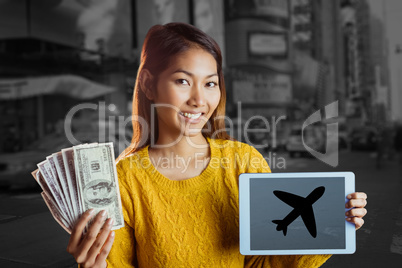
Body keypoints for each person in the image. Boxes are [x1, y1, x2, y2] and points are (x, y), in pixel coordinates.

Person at [66, 22, 368, 268]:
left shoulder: (244, 161)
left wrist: (333, 224)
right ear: (147, 83)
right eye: (183, 81)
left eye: (210, 83)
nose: (199, 100)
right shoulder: (123, 180)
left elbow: (268, 263)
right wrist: (97, 267)